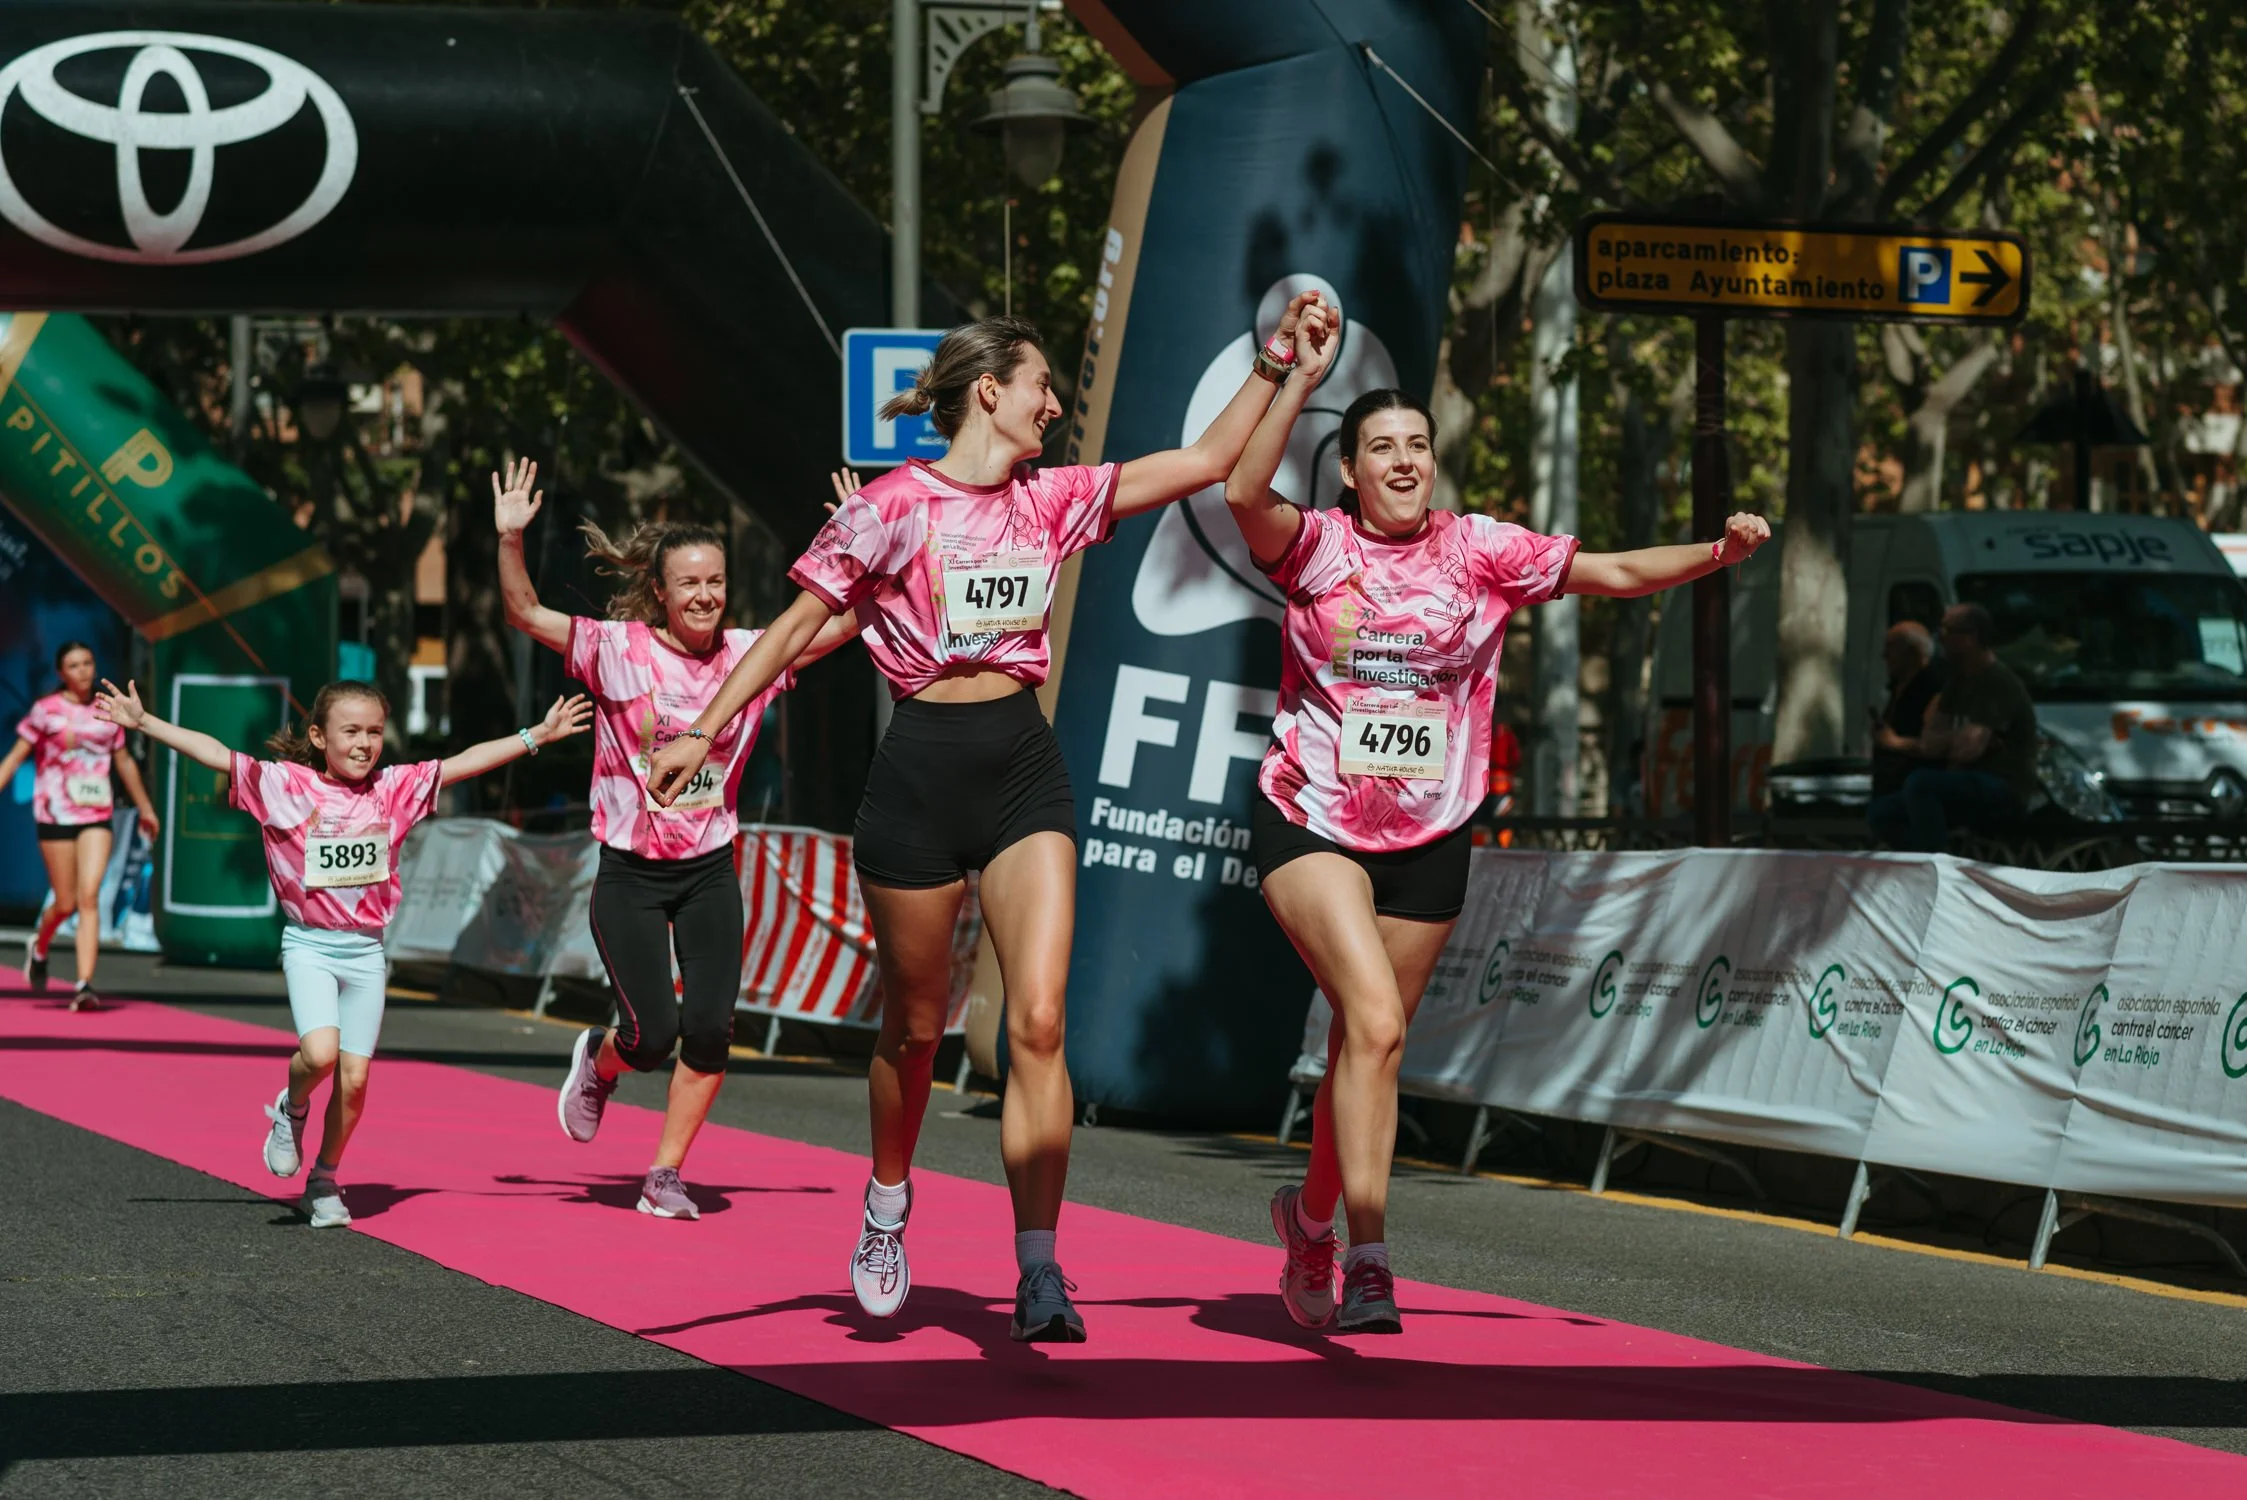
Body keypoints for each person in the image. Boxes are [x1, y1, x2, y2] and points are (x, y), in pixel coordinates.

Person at [644, 295, 1332, 1342]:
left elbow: (1201, 459)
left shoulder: (1052, 499)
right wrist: (704, 727)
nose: (1054, 404)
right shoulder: (888, 509)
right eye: (1043, 385)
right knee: (915, 1030)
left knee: (1039, 1022)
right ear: (989, 392)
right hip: (917, 776)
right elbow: (791, 630)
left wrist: (1279, 363)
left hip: (1022, 768)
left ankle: (1041, 1267)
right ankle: (886, 1207)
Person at [1222, 358, 1770, 1335]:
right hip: (1310, 815)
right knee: (1377, 1024)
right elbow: (1238, 491)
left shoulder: (1478, 550)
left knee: (1366, 1042)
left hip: (1431, 830)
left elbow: (1611, 574)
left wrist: (1715, 555)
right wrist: (1293, 379)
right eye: (1382, 448)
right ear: (1348, 470)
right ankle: (1374, 1258)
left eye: (1418, 446)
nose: (1404, 460)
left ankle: (1309, 1222)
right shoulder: (1315, 548)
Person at [497, 459, 860, 1220]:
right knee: (651, 1033)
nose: (704, 595)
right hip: (629, 872)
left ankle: (665, 1174)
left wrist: (862, 540)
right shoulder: (615, 648)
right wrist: (509, 539)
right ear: (659, 592)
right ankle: (599, 1064)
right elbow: (527, 613)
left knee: (710, 1029)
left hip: (708, 870)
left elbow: (848, 620)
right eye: (688, 583)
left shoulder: (751, 656)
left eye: (716, 582)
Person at [95, 675, 592, 1226]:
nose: (363, 743)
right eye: (350, 731)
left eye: (374, 732)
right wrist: (144, 724)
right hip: (309, 944)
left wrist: (536, 736)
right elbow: (217, 754)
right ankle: (292, 1107)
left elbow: (463, 762)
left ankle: (325, 1179)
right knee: (321, 1056)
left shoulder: (394, 789)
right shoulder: (286, 786)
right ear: (318, 736)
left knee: (355, 1081)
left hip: (366, 953)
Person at [1, 642, 159, 1009]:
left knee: (89, 897)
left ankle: (84, 984)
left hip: (95, 814)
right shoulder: (46, 711)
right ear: (61, 673)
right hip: (55, 813)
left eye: (88, 662)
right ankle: (39, 947)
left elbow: (123, 763)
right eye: (74, 665)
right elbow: (14, 758)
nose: (84, 671)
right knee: (66, 902)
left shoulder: (108, 709)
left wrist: (146, 808)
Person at [1869, 602, 2037, 850]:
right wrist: (1958, 738)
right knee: (1881, 812)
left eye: (1947, 631)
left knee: (1921, 783)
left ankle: (1938, 864)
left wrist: (1949, 742)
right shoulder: (1957, 683)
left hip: (2002, 789)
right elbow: (1929, 743)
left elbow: (1966, 751)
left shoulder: (1998, 683)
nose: (1941, 638)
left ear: (1970, 638)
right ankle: (1919, 861)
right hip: (1964, 784)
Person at [1869, 620, 1948, 801]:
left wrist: (1894, 742)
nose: (1884, 656)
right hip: (1889, 786)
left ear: (1912, 652)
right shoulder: (1897, 685)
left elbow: (1937, 745)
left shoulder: (1935, 687)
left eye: (1891, 648)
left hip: (1916, 789)